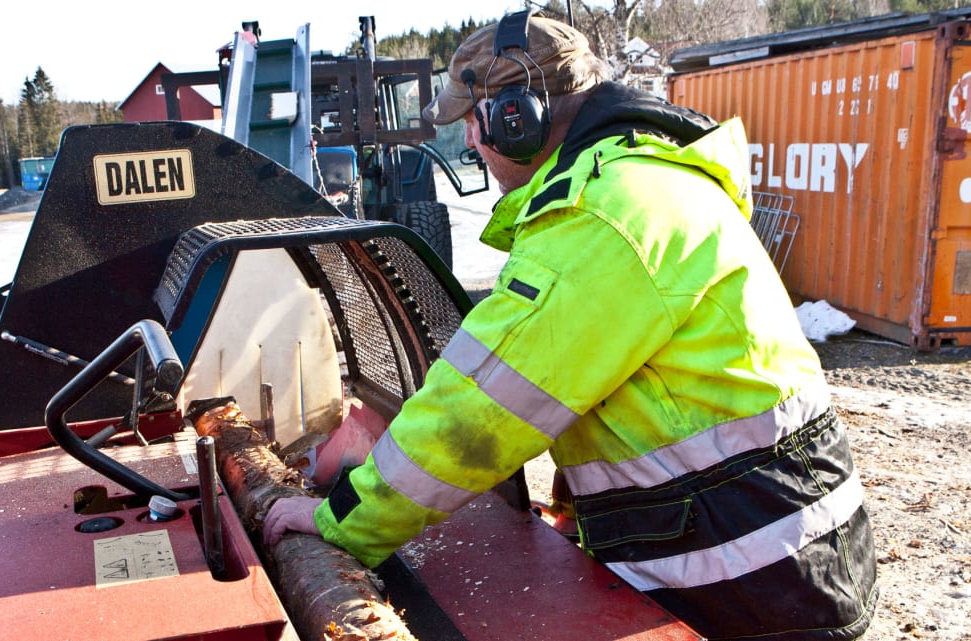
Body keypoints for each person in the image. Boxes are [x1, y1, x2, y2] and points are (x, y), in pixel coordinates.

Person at [265, 11, 878, 640]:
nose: (472, 142)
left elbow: (479, 412)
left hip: (757, 577)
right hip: (777, 550)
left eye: (473, 121)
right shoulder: (640, 182)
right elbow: (621, 395)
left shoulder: (602, 218)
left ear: (517, 116)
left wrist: (345, 519)